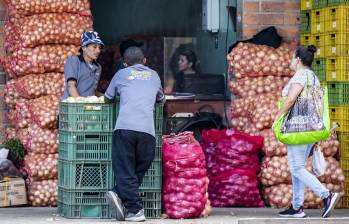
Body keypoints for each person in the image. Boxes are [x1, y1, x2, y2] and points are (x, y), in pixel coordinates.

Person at [274, 45, 340, 218]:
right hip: (309, 128)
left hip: (297, 127)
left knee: (296, 169)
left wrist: (278, 118)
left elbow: (290, 100)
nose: (290, 61)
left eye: (291, 58)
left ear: (297, 60)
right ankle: (297, 207)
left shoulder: (301, 75)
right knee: (298, 167)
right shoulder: (313, 77)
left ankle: (327, 195)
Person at [104, 46, 165, 222]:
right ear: (145, 60)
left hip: (125, 128)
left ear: (125, 64)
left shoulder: (121, 74)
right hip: (147, 132)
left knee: (125, 169)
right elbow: (161, 99)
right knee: (139, 168)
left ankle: (135, 209)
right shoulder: (154, 75)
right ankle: (119, 195)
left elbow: (108, 98)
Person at [62, 31, 104, 99]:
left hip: (88, 107)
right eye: (94, 47)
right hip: (73, 106)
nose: (98, 51)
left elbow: (92, 91)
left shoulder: (98, 67)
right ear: (84, 48)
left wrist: (105, 97)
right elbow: (71, 86)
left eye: (99, 48)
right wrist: (80, 103)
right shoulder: (74, 61)